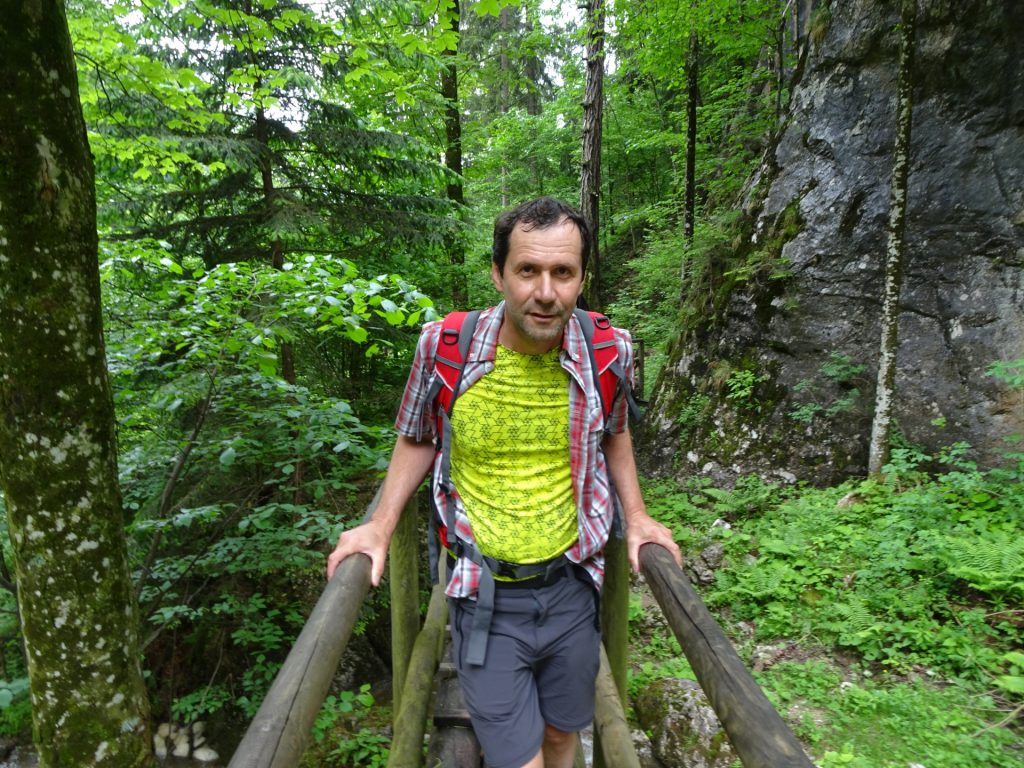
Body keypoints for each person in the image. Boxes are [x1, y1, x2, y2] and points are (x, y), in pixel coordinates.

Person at [327, 196, 681, 768]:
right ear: (498, 273)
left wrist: (637, 517)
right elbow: (419, 436)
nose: (546, 292)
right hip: (484, 595)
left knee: (565, 738)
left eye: (563, 273)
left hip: (572, 587)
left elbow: (615, 431)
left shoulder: (609, 352)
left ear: (581, 276)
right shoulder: (446, 349)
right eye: (528, 271)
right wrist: (379, 524)